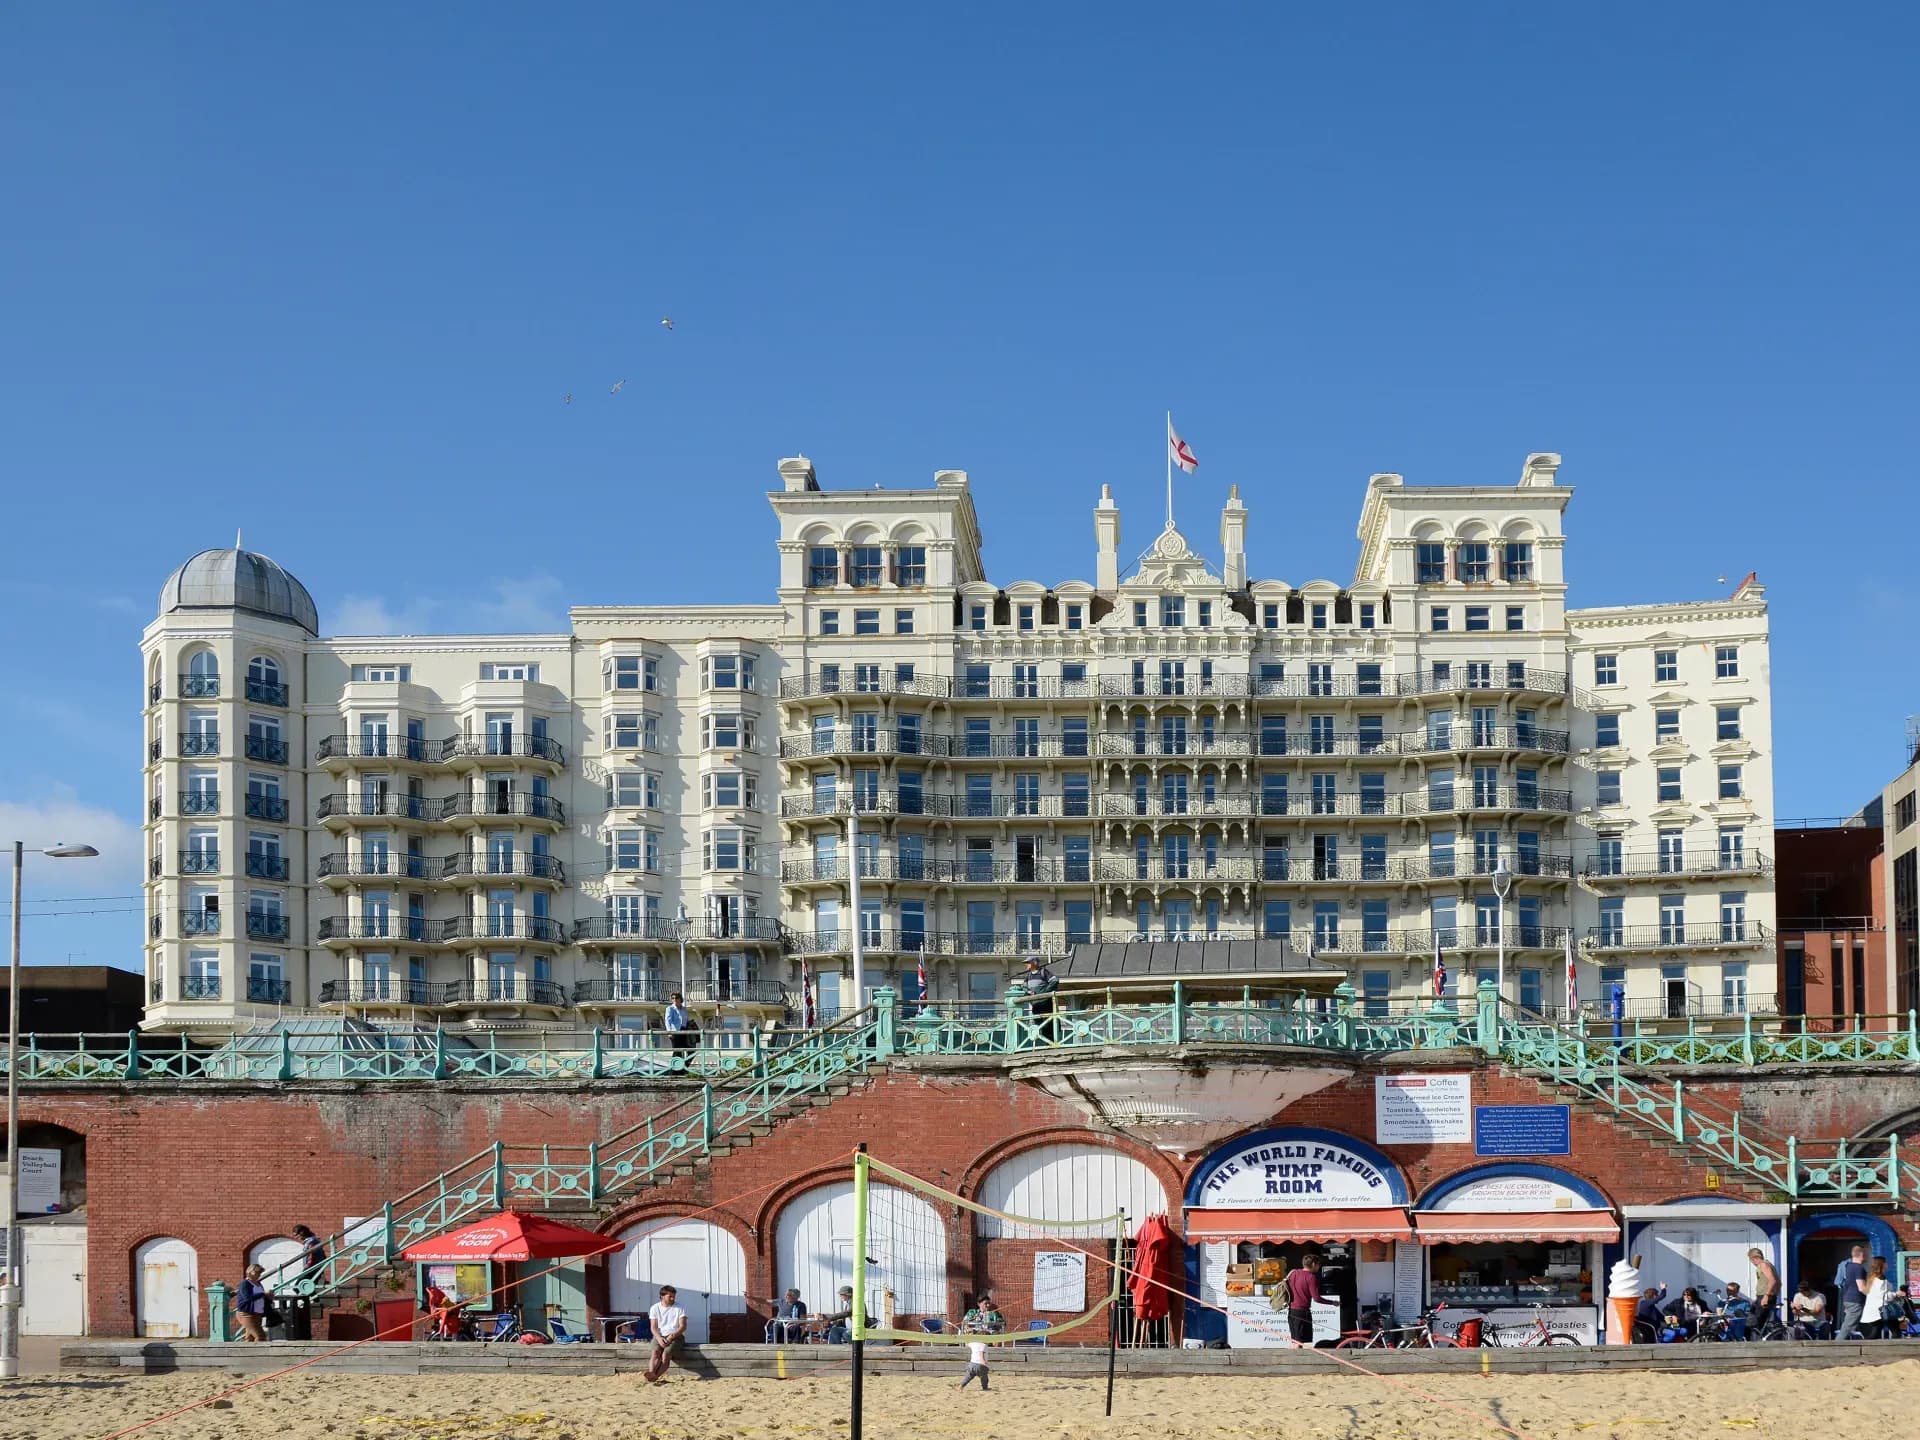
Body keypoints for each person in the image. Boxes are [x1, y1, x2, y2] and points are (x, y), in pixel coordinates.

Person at [644, 1285, 689, 1384]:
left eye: (674, 1296)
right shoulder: (655, 1308)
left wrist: (671, 1337)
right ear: (662, 1296)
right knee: (655, 1353)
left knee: (666, 1354)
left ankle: (654, 1377)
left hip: (676, 1336)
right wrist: (659, 1338)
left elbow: (683, 1326)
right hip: (660, 1335)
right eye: (670, 1296)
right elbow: (653, 1327)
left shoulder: (680, 1307)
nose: (673, 1299)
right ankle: (651, 1373)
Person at [1283, 1253, 1322, 1347]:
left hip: (1291, 1311)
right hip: (1302, 1312)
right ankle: (1295, 1361)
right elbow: (1317, 1298)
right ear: (1313, 1264)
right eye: (1318, 1264)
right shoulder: (1311, 1277)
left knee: (1294, 1340)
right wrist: (1333, 1302)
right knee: (1299, 1342)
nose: (1319, 1267)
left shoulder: (1293, 1273)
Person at [1834, 1244, 1869, 1340]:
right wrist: (1872, 1296)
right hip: (1855, 1300)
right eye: (1865, 1253)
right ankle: (1836, 1346)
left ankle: (1850, 1347)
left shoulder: (1848, 1266)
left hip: (1848, 1299)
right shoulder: (1858, 1268)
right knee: (1848, 1326)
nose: (1867, 1256)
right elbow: (1861, 1287)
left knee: (1852, 1326)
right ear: (1861, 1254)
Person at [1021, 957, 1059, 1042]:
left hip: (1045, 1004)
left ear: (1034, 962)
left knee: (1048, 1026)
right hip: (1035, 1005)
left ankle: (1051, 1045)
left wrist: (1045, 992)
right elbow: (1023, 986)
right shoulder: (1029, 975)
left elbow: (1055, 980)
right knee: (1038, 1025)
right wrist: (1029, 992)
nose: (1026, 965)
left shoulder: (1043, 972)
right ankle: (1045, 1045)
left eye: (1028, 962)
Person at [1860, 1257, 1893, 1339]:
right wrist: (1896, 1294)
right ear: (1883, 1264)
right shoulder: (1881, 1279)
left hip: (1872, 1313)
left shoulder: (1872, 1277)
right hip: (1879, 1312)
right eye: (1886, 1263)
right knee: (1895, 1330)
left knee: (1875, 1336)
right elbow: (1883, 1297)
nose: (1887, 1264)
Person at [1746, 1247, 1779, 1328]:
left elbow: (1772, 1280)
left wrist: (1767, 1296)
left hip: (1764, 1296)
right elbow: (1779, 1283)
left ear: (1754, 1258)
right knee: (1757, 1320)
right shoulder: (1769, 1264)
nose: (1752, 1262)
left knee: (1755, 1323)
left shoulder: (1763, 1265)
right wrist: (1774, 1295)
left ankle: (1757, 1340)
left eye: (1751, 1260)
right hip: (1765, 1296)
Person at [234, 1265, 269, 1342]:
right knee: (260, 1336)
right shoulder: (245, 1283)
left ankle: (246, 1353)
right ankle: (261, 1353)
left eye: (259, 1273)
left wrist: (268, 1296)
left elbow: (261, 1296)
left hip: (257, 1313)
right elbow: (248, 1297)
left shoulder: (258, 1283)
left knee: (250, 1338)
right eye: (257, 1273)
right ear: (250, 1272)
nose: (258, 1275)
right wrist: (263, 1294)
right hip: (246, 1313)